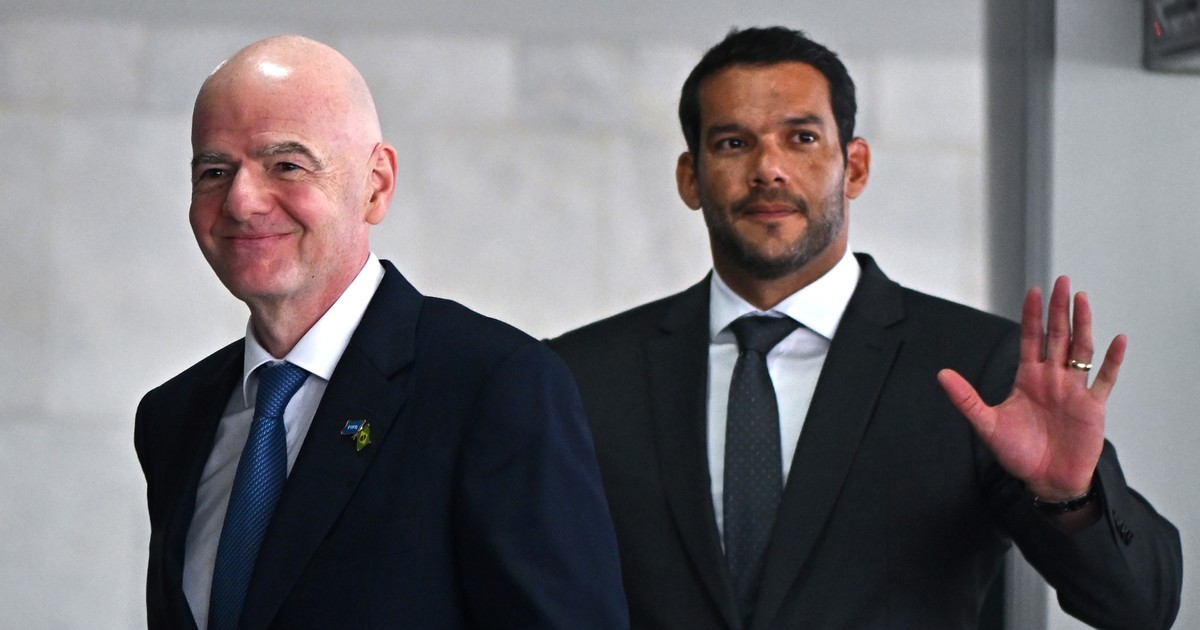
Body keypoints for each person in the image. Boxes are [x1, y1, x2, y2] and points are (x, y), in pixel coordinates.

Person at [548, 26, 1181, 629]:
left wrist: (1070, 498)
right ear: (691, 178)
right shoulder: (579, 377)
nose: (769, 168)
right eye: (733, 143)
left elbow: (1139, 609)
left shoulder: (977, 367)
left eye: (801, 138)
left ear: (854, 168)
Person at [135, 35, 628, 630]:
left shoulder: (493, 387)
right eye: (215, 171)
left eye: (286, 165)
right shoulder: (173, 416)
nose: (241, 201)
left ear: (376, 184)